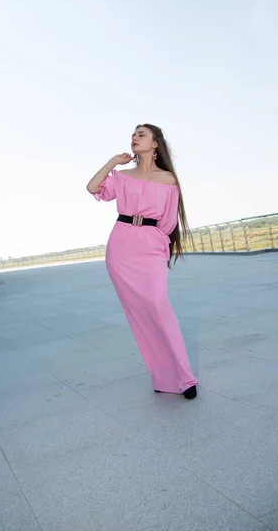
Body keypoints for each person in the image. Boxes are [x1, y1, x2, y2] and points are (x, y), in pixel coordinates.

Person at [87, 124, 198, 399]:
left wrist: (160, 244)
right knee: (139, 315)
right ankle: (162, 377)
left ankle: (185, 378)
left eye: (141, 134)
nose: (135, 138)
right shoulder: (122, 176)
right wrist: (113, 161)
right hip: (121, 246)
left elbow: (170, 220)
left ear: (155, 143)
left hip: (151, 244)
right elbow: (92, 187)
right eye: (134, 134)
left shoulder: (168, 179)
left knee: (160, 306)